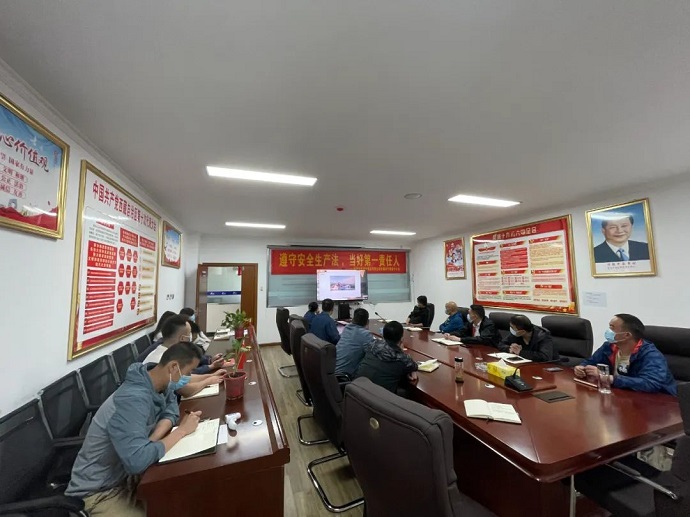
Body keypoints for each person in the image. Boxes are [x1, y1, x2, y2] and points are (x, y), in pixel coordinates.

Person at [65, 343, 205, 516]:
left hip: (125, 477)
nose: (188, 377)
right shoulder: (132, 399)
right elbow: (137, 462)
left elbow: (171, 411)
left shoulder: (158, 382)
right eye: (188, 372)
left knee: (183, 498)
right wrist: (181, 431)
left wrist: (152, 440)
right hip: (98, 492)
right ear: (174, 367)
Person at [574, 314, 676, 395]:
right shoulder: (608, 347)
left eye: (612, 328)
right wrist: (581, 367)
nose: (608, 331)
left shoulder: (650, 355)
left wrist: (608, 378)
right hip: (622, 396)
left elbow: (650, 384)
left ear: (627, 335)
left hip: (657, 402)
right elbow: (590, 362)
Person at [139, 316, 226, 395]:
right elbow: (186, 390)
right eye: (189, 334)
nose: (191, 337)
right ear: (183, 339)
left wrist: (211, 376)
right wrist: (207, 381)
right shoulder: (163, 360)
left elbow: (185, 378)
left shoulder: (163, 350)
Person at [356, 321, 418, 393]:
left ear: (383, 335)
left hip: (355, 391)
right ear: (402, 339)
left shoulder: (372, 345)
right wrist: (401, 351)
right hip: (377, 398)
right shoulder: (402, 358)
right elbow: (414, 366)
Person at [335, 308, 373, 378]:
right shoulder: (365, 334)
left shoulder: (347, 328)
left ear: (353, 319)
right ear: (367, 322)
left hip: (333, 369)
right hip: (344, 376)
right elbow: (372, 354)